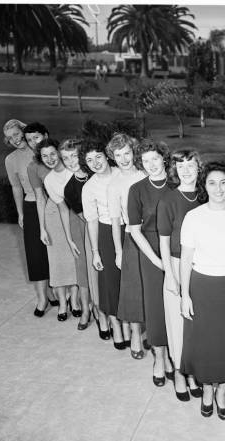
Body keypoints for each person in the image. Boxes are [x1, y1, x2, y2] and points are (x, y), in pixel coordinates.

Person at [179, 161, 225, 420]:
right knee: (205, 343)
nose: (218, 188)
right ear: (204, 186)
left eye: (223, 182)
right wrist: (185, 295)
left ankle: (222, 392)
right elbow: (186, 259)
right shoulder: (193, 217)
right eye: (212, 182)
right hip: (202, 287)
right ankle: (207, 390)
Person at [128, 138, 175, 385]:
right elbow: (135, 230)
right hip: (151, 253)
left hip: (178, 251)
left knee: (178, 304)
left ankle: (177, 356)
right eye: (145, 161)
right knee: (156, 307)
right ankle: (159, 357)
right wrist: (157, 261)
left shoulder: (177, 185)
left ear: (164, 159)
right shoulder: (136, 190)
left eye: (155, 158)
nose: (151, 164)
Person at [157, 149, 203, 401]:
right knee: (177, 322)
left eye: (191, 165)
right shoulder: (168, 200)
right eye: (181, 166)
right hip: (175, 264)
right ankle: (179, 373)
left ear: (199, 167)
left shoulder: (207, 197)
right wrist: (170, 276)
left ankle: (194, 371)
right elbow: (164, 242)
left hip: (203, 266)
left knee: (195, 322)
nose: (186, 170)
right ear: (175, 170)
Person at [3, 119, 53, 317]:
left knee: (56, 250)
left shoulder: (40, 148)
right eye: (9, 138)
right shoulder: (11, 160)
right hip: (32, 205)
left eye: (17, 134)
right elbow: (16, 187)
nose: (14, 139)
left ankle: (57, 292)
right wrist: (21, 213)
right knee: (36, 254)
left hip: (55, 205)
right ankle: (43, 298)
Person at [106, 133, 146, 357]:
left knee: (151, 287)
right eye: (118, 155)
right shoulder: (114, 185)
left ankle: (154, 331)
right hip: (130, 238)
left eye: (127, 153)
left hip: (152, 236)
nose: (123, 159)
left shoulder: (145, 174)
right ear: (113, 157)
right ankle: (135, 336)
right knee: (131, 290)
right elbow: (115, 221)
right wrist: (119, 251)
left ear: (134, 152)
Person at [29, 138, 78, 321]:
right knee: (57, 261)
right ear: (40, 158)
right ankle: (62, 304)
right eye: (44, 156)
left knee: (74, 259)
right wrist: (42, 228)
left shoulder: (73, 169)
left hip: (75, 215)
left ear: (59, 153)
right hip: (54, 216)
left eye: (52, 154)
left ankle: (74, 301)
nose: (49, 159)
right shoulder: (48, 179)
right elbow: (41, 199)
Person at [81, 139, 121, 341]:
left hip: (130, 231)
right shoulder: (89, 187)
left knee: (131, 280)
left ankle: (135, 325)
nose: (95, 162)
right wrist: (96, 251)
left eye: (98, 156)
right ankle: (116, 325)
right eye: (89, 160)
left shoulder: (121, 173)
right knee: (110, 281)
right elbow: (92, 221)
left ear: (106, 155)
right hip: (106, 233)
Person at [58, 138, 95, 330]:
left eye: (74, 156)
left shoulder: (94, 173)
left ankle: (103, 308)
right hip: (84, 225)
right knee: (83, 266)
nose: (71, 162)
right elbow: (86, 218)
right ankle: (86, 309)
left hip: (105, 221)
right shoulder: (69, 188)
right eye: (66, 159)